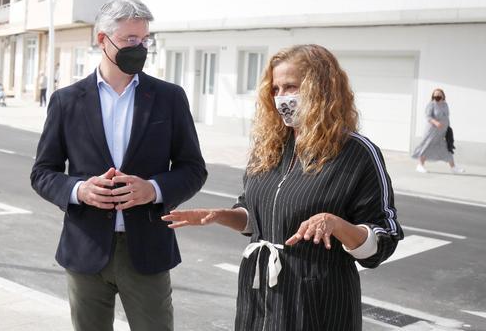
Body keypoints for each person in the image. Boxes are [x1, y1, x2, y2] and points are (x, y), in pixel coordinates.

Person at [162, 44, 403, 331]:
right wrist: (221, 215)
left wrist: (336, 224)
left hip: (318, 302)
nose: (281, 98)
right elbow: (255, 216)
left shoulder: (356, 153)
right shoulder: (269, 147)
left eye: (291, 87)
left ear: (322, 89)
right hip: (260, 297)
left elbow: (382, 241)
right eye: (275, 89)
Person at [31, 0, 208, 331]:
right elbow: (42, 173)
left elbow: (193, 168)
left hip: (146, 250)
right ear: (103, 40)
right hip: (85, 250)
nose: (139, 47)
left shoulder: (169, 98)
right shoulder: (66, 101)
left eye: (144, 40)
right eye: (130, 40)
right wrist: (80, 190)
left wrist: (153, 190)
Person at [412, 88, 464, 174]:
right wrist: (436, 123)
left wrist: (447, 129)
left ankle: (453, 167)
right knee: (426, 146)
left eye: (439, 95)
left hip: (442, 132)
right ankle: (420, 165)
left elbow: (446, 116)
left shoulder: (445, 105)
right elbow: (428, 116)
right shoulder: (431, 105)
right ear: (433, 96)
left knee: (447, 148)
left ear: (443, 96)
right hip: (432, 132)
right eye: (435, 95)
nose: (437, 97)